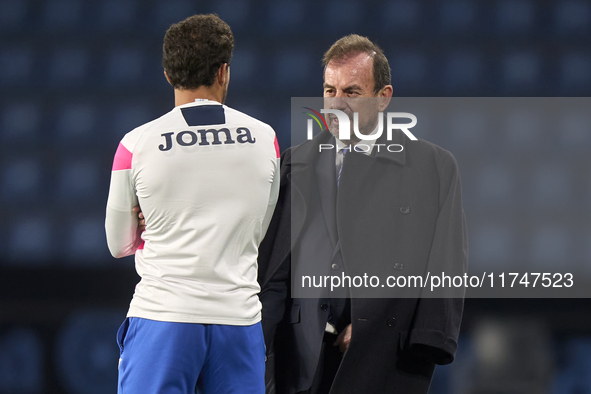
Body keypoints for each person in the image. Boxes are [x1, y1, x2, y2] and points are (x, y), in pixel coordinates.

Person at [257, 34, 468, 394]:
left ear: (383, 97)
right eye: (329, 90)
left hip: (383, 354)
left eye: (352, 92)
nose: (336, 103)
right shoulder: (295, 163)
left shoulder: (432, 167)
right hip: (299, 356)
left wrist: (375, 328)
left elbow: (444, 265)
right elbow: (274, 263)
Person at [105, 14, 280, 394]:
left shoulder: (136, 144)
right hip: (238, 321)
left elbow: (118, 244)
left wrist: (149, 225)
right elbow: (258, 230)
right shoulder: (266, 139)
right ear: (224, 72)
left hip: (163, 318)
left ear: (168, 74)